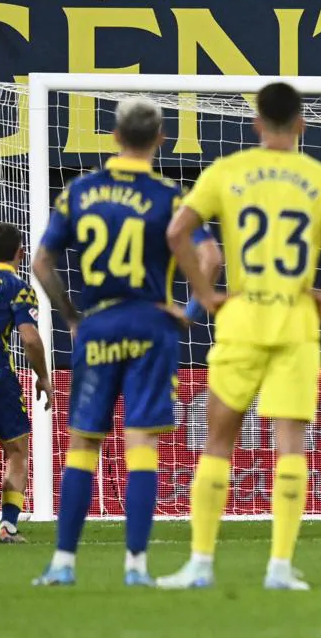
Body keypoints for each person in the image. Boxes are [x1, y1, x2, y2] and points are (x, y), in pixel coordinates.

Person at [158, 82, 321, 592]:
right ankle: (279, 567)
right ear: (300, 124)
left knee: (218, 441)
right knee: (291, 445)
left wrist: (207, 294)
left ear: (257, 123)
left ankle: (201, 564)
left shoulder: (228, 172)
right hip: (296, 320)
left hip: (242, 318)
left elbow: (176, 232)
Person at [31, 98, 198, 586]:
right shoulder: (170, 196)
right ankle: (136, 567)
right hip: (151, 322)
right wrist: (186, 310)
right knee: (140, 442)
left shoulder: (79, 190)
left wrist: (71, 318)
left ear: (114, 136)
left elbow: (42, 261)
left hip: (98, 323)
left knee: (84, 442)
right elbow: (209, 259)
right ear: (161, 138)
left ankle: (63, 563)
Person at [0, 224, 52, 544]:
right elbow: (30, 338)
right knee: (16, 451)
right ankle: (8, 527)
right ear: (20, 254)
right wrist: (43, 376)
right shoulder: (18, 287)